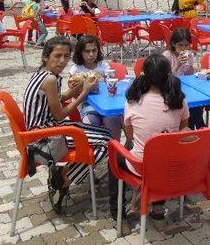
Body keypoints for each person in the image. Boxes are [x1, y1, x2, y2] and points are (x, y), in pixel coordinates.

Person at [22, 36, 114, 215]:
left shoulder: (44, 74)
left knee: (103, 136)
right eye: (57, 56)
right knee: (106, 142)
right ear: (45, 57)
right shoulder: (50, 80)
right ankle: (66, 178)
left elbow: (60, 98)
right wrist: (84, 92)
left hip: (46, 129)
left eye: (66, 56)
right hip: (44, 137)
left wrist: (77, 88)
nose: (62, 60)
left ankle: (64, 176)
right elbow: (60, 114)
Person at [124, 53, 189, 219]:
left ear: (143, 74)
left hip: (141, 165)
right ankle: (158, 208)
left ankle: (116, 210)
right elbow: (182, 129)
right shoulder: (179, 100)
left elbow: (130, 137)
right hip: (172, 164)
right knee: (164, 145)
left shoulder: (132, 100)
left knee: (118, 152)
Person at [69, 35, 123, 139]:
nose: (91, 54)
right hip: (87, 105)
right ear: (81, 52)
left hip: (106, 105)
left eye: (94, 50)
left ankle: (115, 152)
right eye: (87, 51)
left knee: (113, 119)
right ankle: (96, 150)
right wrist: (76, 87)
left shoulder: (104, 66)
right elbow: (73, 92)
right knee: (90, 122)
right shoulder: (76, 69)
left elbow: (111, 87)